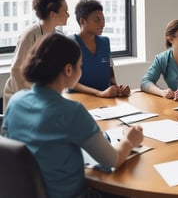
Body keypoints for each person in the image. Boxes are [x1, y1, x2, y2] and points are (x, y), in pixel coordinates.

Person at [1, 33, 143, 198]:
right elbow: (113, 160)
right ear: (69, 70)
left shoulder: (15, 101)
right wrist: (129, 140)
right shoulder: (71, 111)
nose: (81, 69)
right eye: (80, 65)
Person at [3, 0, 69, 112]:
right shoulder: (30, 35)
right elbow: (16, 70)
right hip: (21, 95)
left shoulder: (58, 35)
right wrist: (34, 93)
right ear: (52, 14)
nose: (68, 15)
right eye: (65, 11)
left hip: (43, 94)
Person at [70, 0, 130, 98]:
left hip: (105, 99)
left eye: (103, 20)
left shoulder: (105, 42)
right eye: (97, 20)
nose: (102, 24)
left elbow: (110, 76)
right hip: (79, 99)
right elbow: (72, 82)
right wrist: (99, 93)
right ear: (83, 21)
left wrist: (118, 88)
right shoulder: (70, 43)